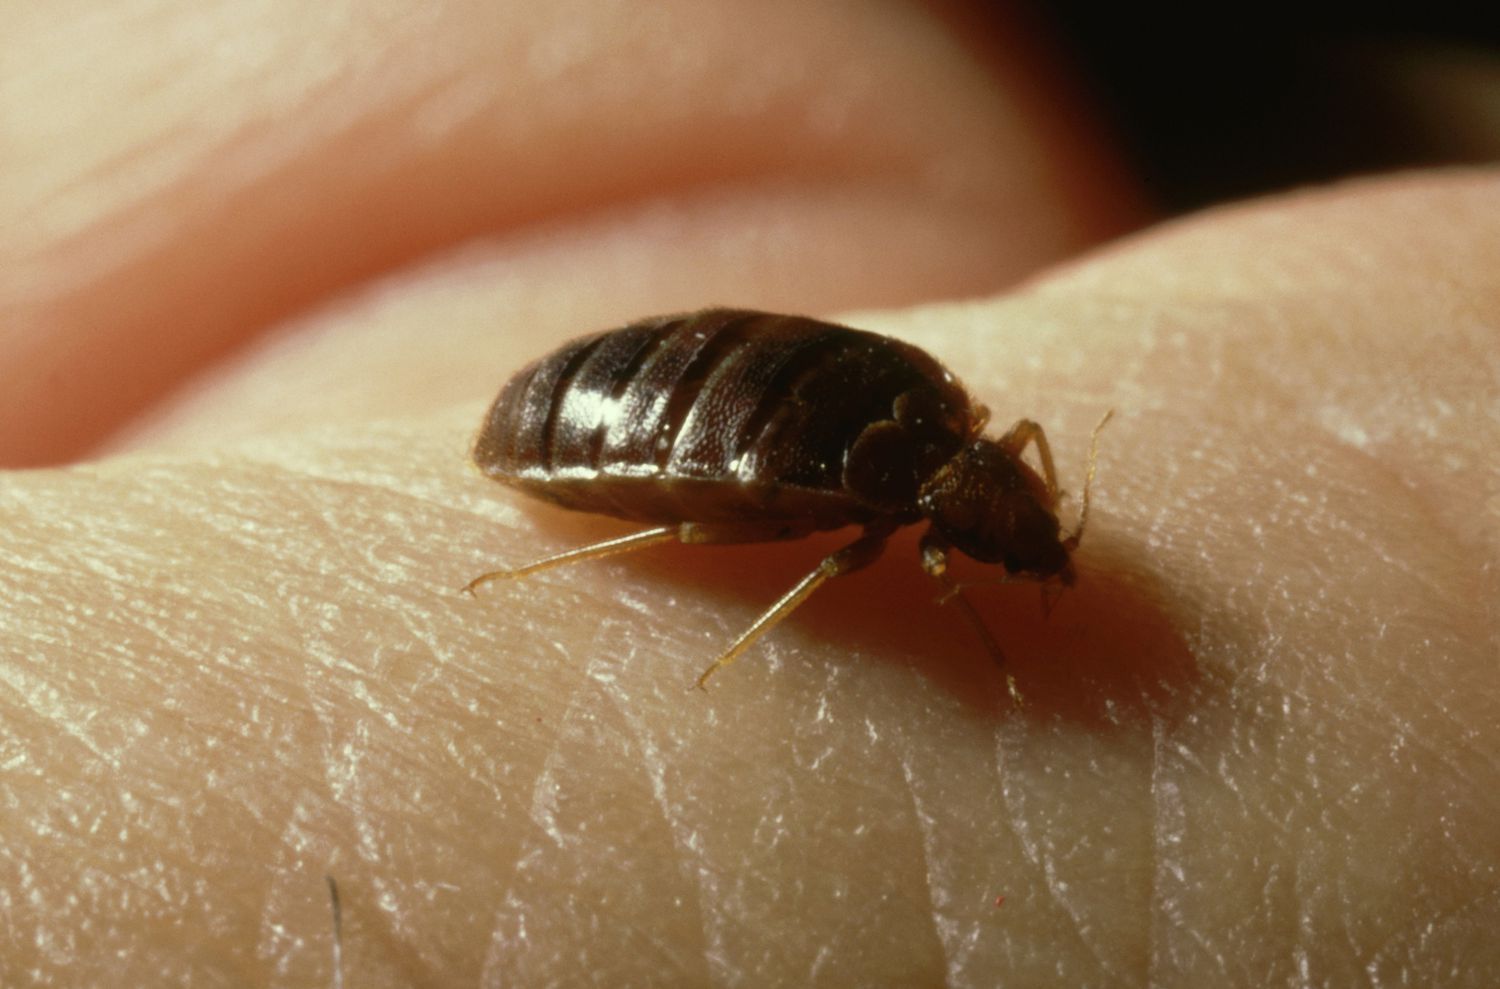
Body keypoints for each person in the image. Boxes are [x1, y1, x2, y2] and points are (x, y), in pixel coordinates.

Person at [3, 3, 1495, 984]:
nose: (1024, 532)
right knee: (695, 515)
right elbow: (761, 501)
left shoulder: (933, 435)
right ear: (963, 510)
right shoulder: (869, 505)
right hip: (610, 418)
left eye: (1014, 523)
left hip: (696, 384)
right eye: (1009, 527)